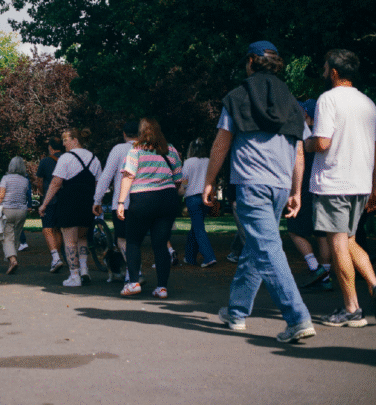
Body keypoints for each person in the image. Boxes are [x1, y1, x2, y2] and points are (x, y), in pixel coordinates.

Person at [203, 40, 315, 343]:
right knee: (257, 247)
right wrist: (296, 191)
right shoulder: (292, 102)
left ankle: (298, 318)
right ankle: (236, 312)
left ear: (251, 61)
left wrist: (209, 181)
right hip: (280, 185)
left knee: (267, 249)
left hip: (251, 183)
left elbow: (221, 143)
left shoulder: (237, 97)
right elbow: (299, 151)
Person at [305, 49, 376, 327]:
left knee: (338, 245)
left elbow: (322, 142)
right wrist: (375, 187)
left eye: (325, 68)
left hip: (334, 183)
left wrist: (304, 143)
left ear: (334, 72)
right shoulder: (368, 104)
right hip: (360, 184)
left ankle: (352, 309)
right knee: (350, 240)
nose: (323, 72)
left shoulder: (328, 99)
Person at [116, 118, 182, 298]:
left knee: (133, 241)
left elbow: (128, 176)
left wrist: (121, 202)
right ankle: (162, 288)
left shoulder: (135, 150)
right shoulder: (170, 149)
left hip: (142, 198)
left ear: (140, 132)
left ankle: (133, 283)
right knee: (161, 244)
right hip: (167, 198)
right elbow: (178, 178)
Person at [38, 128, 102, 287]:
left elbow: (56, 182)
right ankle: (84, 270)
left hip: (69, 201)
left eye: (66, 140)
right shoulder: (94, 158)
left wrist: (44, 204)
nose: (64, 144)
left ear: (75, 140)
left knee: (70, 240)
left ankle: (74, 275)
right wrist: (97, 202)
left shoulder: (66, 158)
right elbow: (98, 184)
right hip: (87, 201)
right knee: (82, 237)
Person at [287, 100, 332, 290]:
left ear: (306, 114)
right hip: (323, 187)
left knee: (294, 230)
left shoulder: (300, 136)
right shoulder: (325, 136)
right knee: (322, 234)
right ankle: (326, 276)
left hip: (304, 188)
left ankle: (315, 269)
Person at [93, 122, 138, 280]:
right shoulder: (148, 149)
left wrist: (97, 199)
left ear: (124, 134)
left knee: (122, 239)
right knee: (136, 239)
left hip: (122, 202)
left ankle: (134, 272)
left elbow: (106, 176)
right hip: (144, 200)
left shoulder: (119, 149)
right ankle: (132, 272)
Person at [0, 156, 33, 274]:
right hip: (21, 211)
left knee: (7, 237)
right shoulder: (25, 180)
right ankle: (11, 260)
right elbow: (26, 195)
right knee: (16, 236)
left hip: (8, 210)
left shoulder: (6, 178)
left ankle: (12, 260)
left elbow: (1, 195)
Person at [180, 137, 217, 268]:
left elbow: (184, 181)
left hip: (192, 198)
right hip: (206, 197)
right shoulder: (209, 161)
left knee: (198, 227)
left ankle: (209, 257)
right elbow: (213, 180)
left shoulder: (188, 162)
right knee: (196, 226)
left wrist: (181, 191)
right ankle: (189, 257)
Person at [37, 137, 66, 272]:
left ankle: (55, 258)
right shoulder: (68, 159)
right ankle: (57, 257)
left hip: (50, 199)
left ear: (50, 147)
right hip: (64, 198)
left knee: (47, 228)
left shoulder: (45, 161)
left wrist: (44, 194)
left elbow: (39, 182)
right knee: (58, 229)